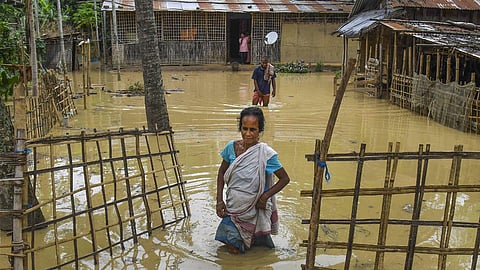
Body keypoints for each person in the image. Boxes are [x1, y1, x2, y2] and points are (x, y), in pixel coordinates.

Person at [214, 107, 290, 254]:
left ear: (259, 130)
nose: (248, 134)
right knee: (233, 248)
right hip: (233, 207)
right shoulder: (231, 148)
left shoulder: (265, 154)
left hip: (255, 208)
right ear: (240, 128)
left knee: (260, 248)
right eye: (245, 128)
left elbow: (284, 179)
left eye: (253, 130)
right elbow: (222, 172)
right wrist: (219, 200)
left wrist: (265, 196)